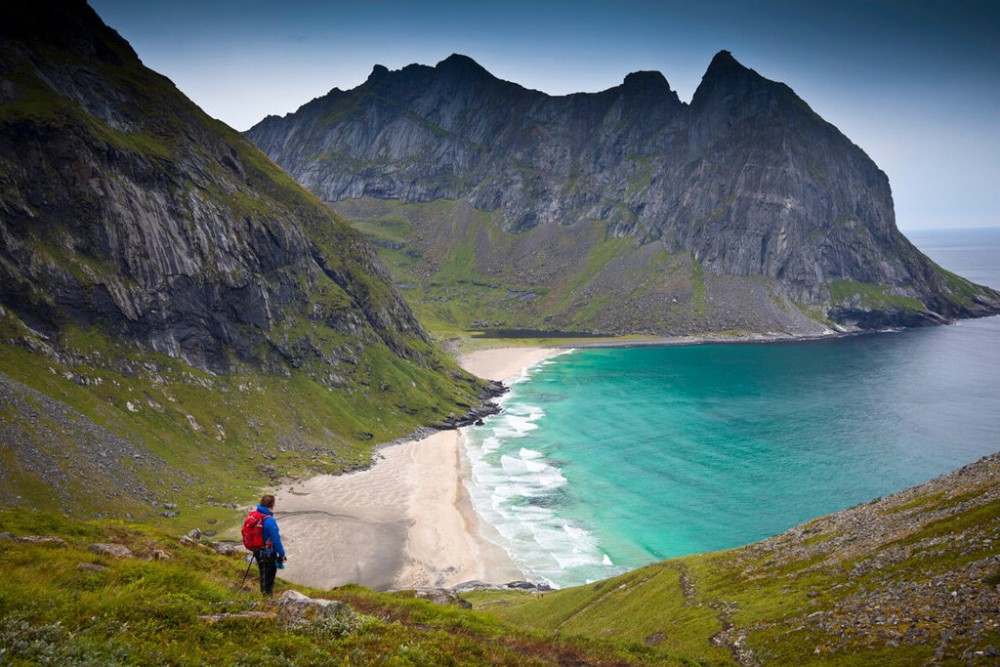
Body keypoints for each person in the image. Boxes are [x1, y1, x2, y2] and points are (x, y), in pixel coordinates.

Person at [254, 494, 286, 596]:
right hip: (268, 554)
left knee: (263, 575)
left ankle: (263, 595)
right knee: (269, 579)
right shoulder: (270, 521)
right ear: (272, 504)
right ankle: (267, 600)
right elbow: (276, 540)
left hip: (258, 551)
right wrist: (282, 555)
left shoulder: (255, 516)